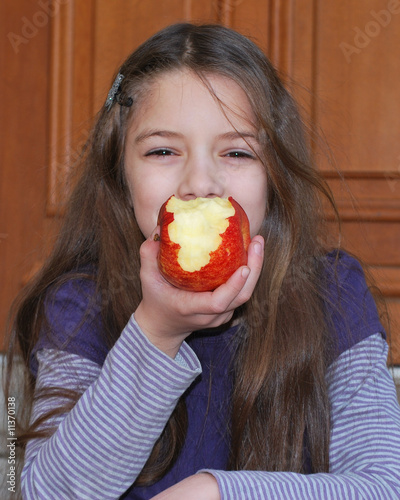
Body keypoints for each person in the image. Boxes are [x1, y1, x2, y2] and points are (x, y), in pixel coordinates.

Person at [5, 22, 400, 499]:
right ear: (119, 174)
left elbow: (382, 487)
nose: (200, 182)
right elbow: (48, 492)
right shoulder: (79, 306)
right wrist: (156, 333)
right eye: (163, 150)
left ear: (274, 176)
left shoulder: (335, 295)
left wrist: (215, 493)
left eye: (236, 152)